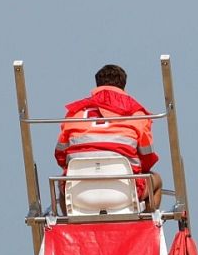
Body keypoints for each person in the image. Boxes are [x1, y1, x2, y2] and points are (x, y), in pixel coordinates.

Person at [54, 63, 162, 208]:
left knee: (63, 183)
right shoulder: (136, 114)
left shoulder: (74, 113)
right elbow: (147, 159)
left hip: (79, 193)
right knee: (157, 180)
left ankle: (70, 223)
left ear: (97, 84)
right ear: (123, 86)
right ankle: (146, 224)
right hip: (124, 193)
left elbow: (61, 156)